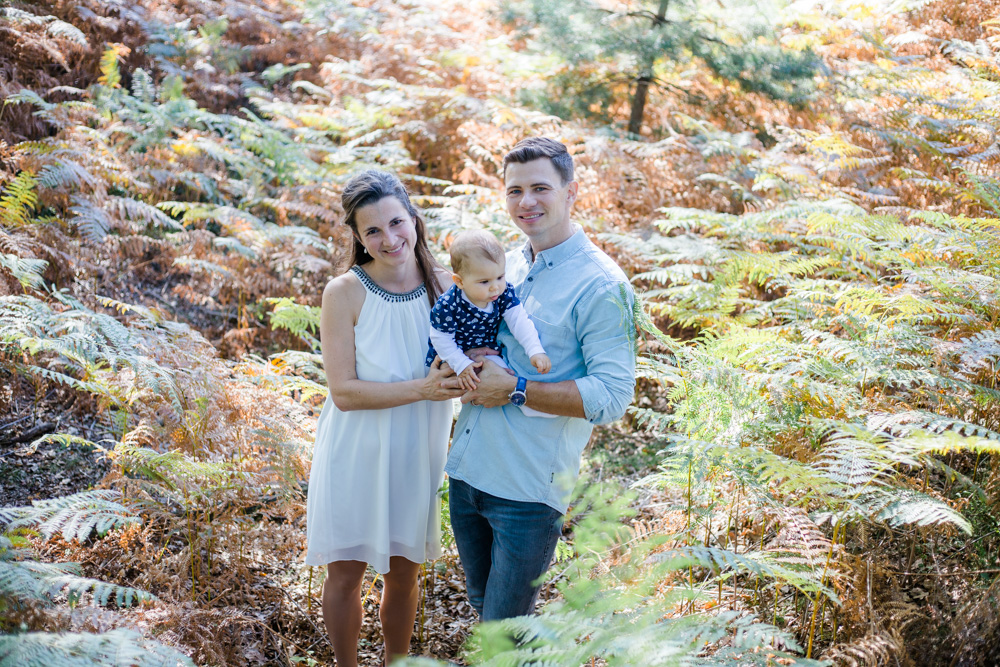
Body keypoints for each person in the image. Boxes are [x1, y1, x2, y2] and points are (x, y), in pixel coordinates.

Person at [446, 137, 636, 621]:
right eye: (515, 190)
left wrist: (517, 390)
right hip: (467, 469)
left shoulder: (602, 285)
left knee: (504, 630)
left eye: (540, 188)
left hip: (526, 490)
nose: (526, 202)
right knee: (483, 608)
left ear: (571, 192)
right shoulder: (502, 265)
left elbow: (613, 396)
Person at [304, 169, 465, 666]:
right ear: (357, 237)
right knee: (345, 574)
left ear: (413, 219)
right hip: (356, 449)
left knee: (404, 575)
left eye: (397, 222)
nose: (389, 239)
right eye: (373, 230)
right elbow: (344, 392)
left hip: (417, 450)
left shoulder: (446, 285)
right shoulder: (344, 292)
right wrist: (423, 389)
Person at [424, 230, 552, 417]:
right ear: (459, 281)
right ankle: (525, 403)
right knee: (496, 374)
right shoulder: (448, 305)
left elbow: (518, 320)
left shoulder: (502, 293)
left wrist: (534, 349)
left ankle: (530, 400)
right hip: (454, 355)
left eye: (500, 277)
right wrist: (461, 364)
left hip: (486, 349)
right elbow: (440, 339)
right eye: (484, 281)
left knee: (506, 369)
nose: (495, 287)